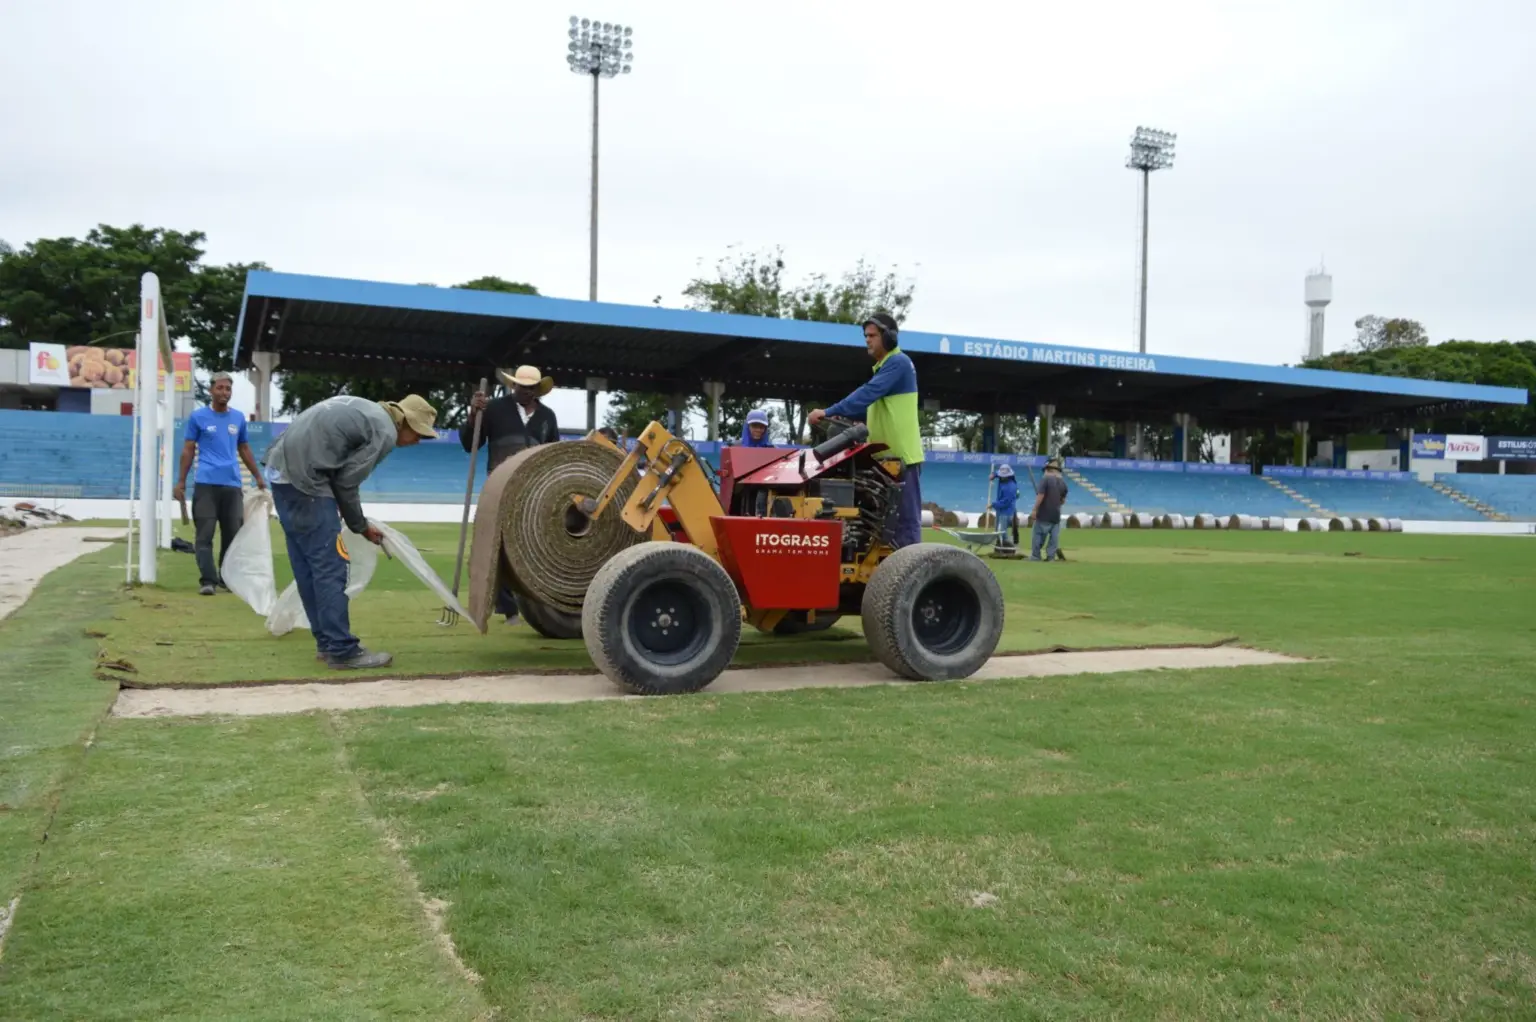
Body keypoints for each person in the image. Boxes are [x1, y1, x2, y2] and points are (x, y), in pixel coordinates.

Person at [261, 394, 439, 670]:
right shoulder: (385, 431)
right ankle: (342, 650)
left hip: (280, 472)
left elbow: (337, 466)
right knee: (331, 566)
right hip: (306, 480)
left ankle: (326, 642)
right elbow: (347, 481)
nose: (418, 441)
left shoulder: (367, 410)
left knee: (308, 565)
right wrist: (361, 526)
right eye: (419, 434)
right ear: (406, 422)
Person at [808, 312, 925, 547]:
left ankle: (912, 579)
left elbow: (867, 394)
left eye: (872, 335)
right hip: (884, 461)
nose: (867, 340)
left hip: (902, 459)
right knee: (882, 529)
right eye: (865, 336)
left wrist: (828, 411)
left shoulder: (898, 363)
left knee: (905, 527)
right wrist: (842, 415)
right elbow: (870, 409)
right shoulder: (884, 368)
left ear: (889, 337)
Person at [463, 365, 559, 624]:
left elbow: (553, 453)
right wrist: (474, 415)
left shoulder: (548, 416)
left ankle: (539, 603)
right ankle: (507, 608)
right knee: (500, 544)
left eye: (530, 388)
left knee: (535, 544)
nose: (525, 391)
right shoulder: (493, 409)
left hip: (534, 488)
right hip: (500, 483)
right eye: (520, 386)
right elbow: (469, 442)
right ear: (512, 385)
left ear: (537, 390)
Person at [173, 372, 266, 597]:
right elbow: (188, 449)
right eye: (220, 388)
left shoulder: (238, 418)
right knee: (204, 535)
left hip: (232, 485)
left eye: (228, 389)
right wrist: (181, 481)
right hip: (206, 484)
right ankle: (208, 581)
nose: (224, 393)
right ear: (211, 390)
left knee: (232, 535)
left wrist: (258, 476)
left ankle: (226, 578)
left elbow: (244, 448)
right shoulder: (198, 417)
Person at [1030, 456, 1069, 562]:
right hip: (1056, 515)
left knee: (1038, 535)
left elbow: (1040, 496)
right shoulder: (1063, 483)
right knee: (1054, 538)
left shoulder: (1045, 480)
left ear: (1048, 470)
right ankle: (1051, 557)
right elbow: (1062, 501)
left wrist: (1035, 509)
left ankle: (1035, 556)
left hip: (1043, 514)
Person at [991, 463, 1020, 548]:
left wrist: (993, 504)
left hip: (1007, 511)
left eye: (1004, 475)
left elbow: (1005, 503)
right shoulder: (1001, 478)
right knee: (997, 530)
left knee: (1002, 532)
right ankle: (999, 546)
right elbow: (997, 473)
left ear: (1009, 475)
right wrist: (993, 475)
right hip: (1000, 510)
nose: (1002, 477)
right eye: (1001, 475)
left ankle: (1007, 548)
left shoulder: (1011, 487)